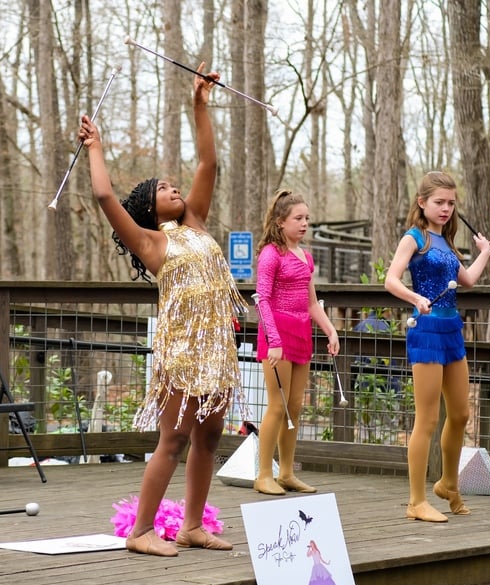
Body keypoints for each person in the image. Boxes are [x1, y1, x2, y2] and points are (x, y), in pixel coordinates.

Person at [78, 62, 248, 557]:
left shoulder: (195, 223)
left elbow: (208, 166)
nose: (175, 189)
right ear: (151, 208)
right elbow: (104, 194)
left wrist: (199, 104)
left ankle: (193, 524)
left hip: (217, 344)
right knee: (172, 439)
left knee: (211, 435)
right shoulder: (151, 242)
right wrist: (96, 148)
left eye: (175, 186)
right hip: (182, 351)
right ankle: (141, 532)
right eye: (163, 189)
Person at [384, 171, 490, 522]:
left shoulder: (446, 242)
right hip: (426, 331)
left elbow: (469, 280)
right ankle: (416, 500)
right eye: (439, 202)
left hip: (452, 330)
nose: (446, 208)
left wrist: (485, 253)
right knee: (427, 419)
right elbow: (390, 279)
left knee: (460, 414)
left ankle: (447, 482)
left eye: (450, 203)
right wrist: (416, 297)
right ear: (422, 202)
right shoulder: (415, 238)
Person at [253, 190, 339, 495]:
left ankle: (287, 472)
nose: (304, 224)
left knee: (296, 405)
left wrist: (330, 330)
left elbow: (312, 302)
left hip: (301, 332)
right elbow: (261, 299)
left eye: (307, 219)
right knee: (278, 405)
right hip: (276, 334)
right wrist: (273, 340)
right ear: (280, 222)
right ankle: (264, 474)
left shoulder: (305, 256)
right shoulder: (270, 254)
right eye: (298, 219)